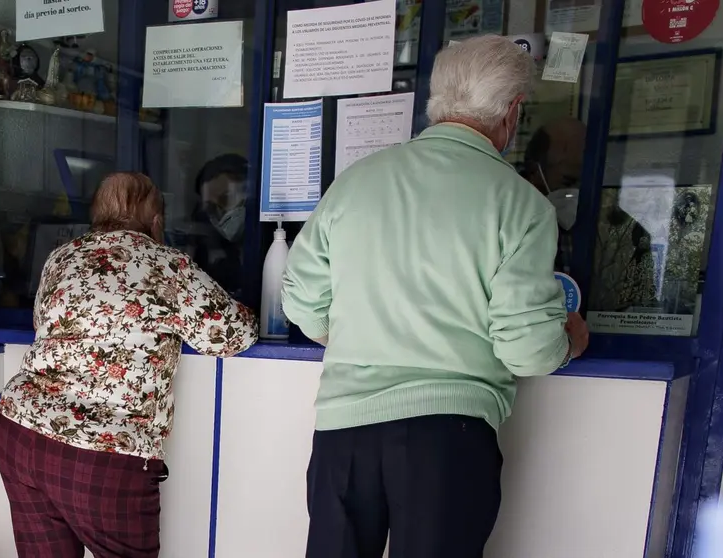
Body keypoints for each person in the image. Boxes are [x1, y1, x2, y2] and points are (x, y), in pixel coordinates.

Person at [281, 35, 590, 558]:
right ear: (513, 112)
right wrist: (571, 337)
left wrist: (365, 332)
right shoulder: (521, 205)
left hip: (344, 432)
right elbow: (527, 350)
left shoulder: (356, 182)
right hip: (447, 440)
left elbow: (302, 303)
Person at [0, 172, 257, 558]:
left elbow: (42, 324)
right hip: (102, 455)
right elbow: (233, 334)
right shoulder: (168, 265)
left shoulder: (60, 257)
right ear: (156, 222)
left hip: (20, 431)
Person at [521, 117, 585, 273]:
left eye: (583, 183)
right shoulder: (508, 216)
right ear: (536, 170)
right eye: (568, 181)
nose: (575, 192)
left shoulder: (602, 225)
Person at [189, 154, 249, 296]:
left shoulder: (278, 246)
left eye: (225, 198)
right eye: (211, 207)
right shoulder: (214, 262)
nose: (221, 214)